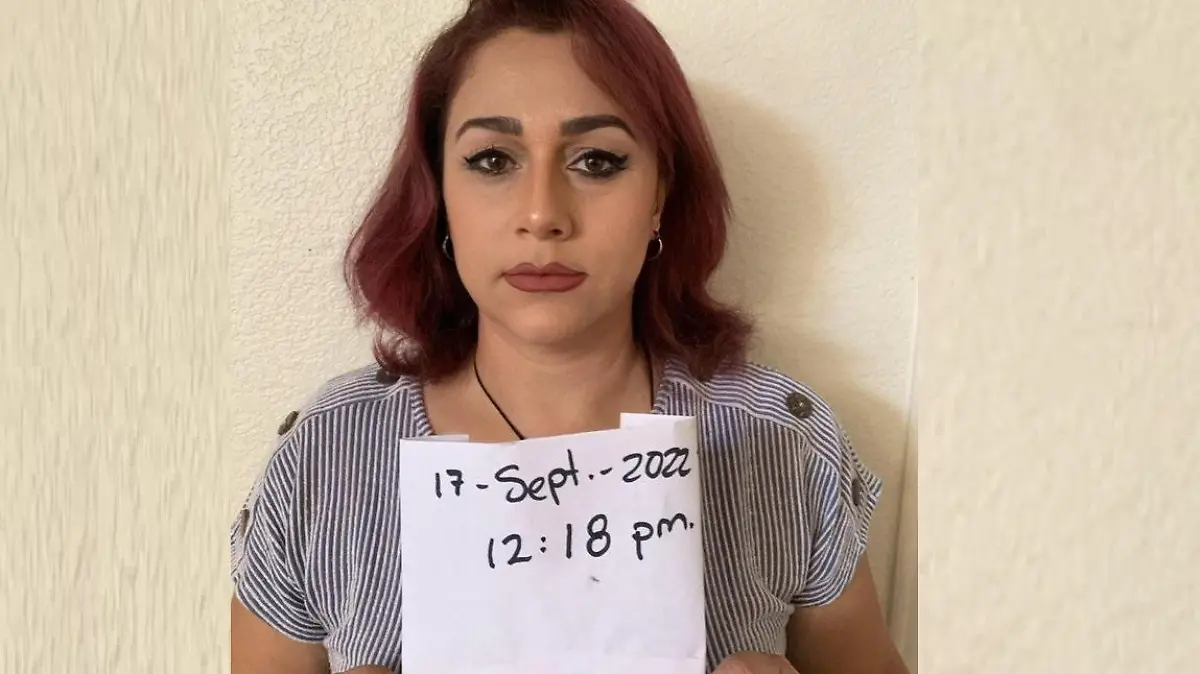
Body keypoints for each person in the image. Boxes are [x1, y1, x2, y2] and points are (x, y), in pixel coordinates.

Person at [229, 0, 908, 672]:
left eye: (598, 161)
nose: (542, 214)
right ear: (439, 193)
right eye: (492, 160)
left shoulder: (779, 442)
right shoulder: (328, 453)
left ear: (659, 196)